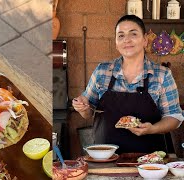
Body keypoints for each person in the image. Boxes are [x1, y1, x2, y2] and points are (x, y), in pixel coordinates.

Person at [72, 15, 184, 153]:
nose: (127, 40)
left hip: (150, 161)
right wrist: (83, 107)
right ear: (116, 42)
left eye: (133, 34)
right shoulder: (102, 71)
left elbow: (175, 117)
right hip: (106, 158)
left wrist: (152, 129)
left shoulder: (162, 75)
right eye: (121, 35)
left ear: (144, 40)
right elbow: (88, 113)